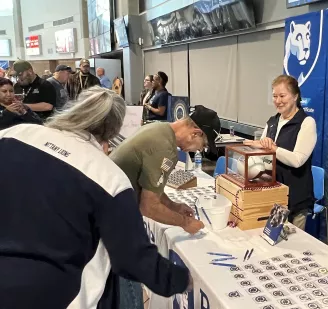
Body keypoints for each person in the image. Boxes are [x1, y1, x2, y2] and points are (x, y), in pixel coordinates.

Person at [0, 87, 193, 309]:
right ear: (113, 130)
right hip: (56, 294)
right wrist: (182, 279)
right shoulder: (107, 177)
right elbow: (134, 259)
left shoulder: (13, 135)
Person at [109, 105, 220, 309]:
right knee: (129, 288)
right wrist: (185, 222)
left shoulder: (160, 129)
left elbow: (150, 189)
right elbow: (149, 207)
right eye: (202, 145)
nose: (198, 150)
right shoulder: (165, 148)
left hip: (111, 208)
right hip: (112, 217)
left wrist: (175, 206)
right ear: (195, 132)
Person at [244, 75, 317, 230]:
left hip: (295, 197)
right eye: (275, 96)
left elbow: (297, 160)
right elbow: (262, 152)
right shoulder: (272, 121)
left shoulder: (306, 123)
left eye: (282, 96)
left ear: (295, 96)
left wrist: (274, 149)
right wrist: (257, 145)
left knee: (292, 243)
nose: (278, 101)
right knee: (272, 240)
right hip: (272, 193)